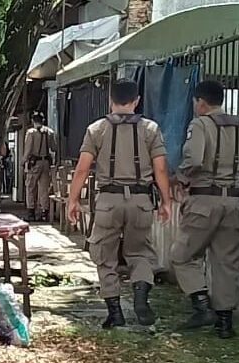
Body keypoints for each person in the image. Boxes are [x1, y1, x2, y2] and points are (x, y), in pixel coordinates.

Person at [67, 79, 172, 329]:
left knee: (105, 257)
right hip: (141, 200)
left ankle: (114, 313)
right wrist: (166, 201)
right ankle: (140, 296)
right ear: (136, 101)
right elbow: (160, 169)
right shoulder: (151, 129)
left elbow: (82, 168)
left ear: (110, 100)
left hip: (107, 201)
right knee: (141, 252)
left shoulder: (96, 129)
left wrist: (73, 199)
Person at [171, 80, 239, 338]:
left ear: (200, 102)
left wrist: (180, 178)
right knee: (226, 263)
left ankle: (202, 305)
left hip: (204, 200)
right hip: (233, 203)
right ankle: (224, 324)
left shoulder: (200, 124)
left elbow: (193, 159)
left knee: (182, 255)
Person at [23, 111, 56, 222]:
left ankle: (31, 212)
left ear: (33, 120)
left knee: (30, 187)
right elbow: (54, 148)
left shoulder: (31, 133)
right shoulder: (50, 132)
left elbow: (28, 150)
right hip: (46, 162)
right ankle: (44, 213)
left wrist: (23, 162)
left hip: (34, 163)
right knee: (44, 188)